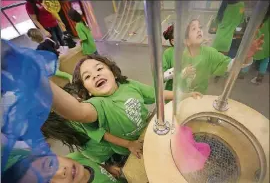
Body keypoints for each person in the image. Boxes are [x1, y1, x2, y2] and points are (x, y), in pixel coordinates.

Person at [49, 54, 202, 164]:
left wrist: (182, 95)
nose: (95, 75)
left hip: (146, 132)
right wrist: (129, 144)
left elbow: (157, 93)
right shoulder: (98, 104)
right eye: (87, 77)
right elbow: (80, 113)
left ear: (113, 73)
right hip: (128, 149)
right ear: (87, 91)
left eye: (99, 68)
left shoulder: (130, 85)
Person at [162, 20, 264, 93]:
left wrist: (245, 56)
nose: (199, 31)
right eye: (193, 29)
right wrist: (179, 72)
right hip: (173, 100)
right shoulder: (169, 54)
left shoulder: (209, 53)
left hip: (196, 100)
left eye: (200, 27)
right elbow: (160, 77)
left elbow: (229, 65)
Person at [2, 149, 126, 183]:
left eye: (50, 163)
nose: (60, 172)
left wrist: (108, 168)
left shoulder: (75, 157)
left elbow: (93, 164)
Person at [240, 8, 269, 84]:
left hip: (255, 41)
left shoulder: (257, 14)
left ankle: (243, 73)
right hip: (267, 43)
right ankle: (260, 77)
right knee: (265, 60)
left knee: (251, 56)